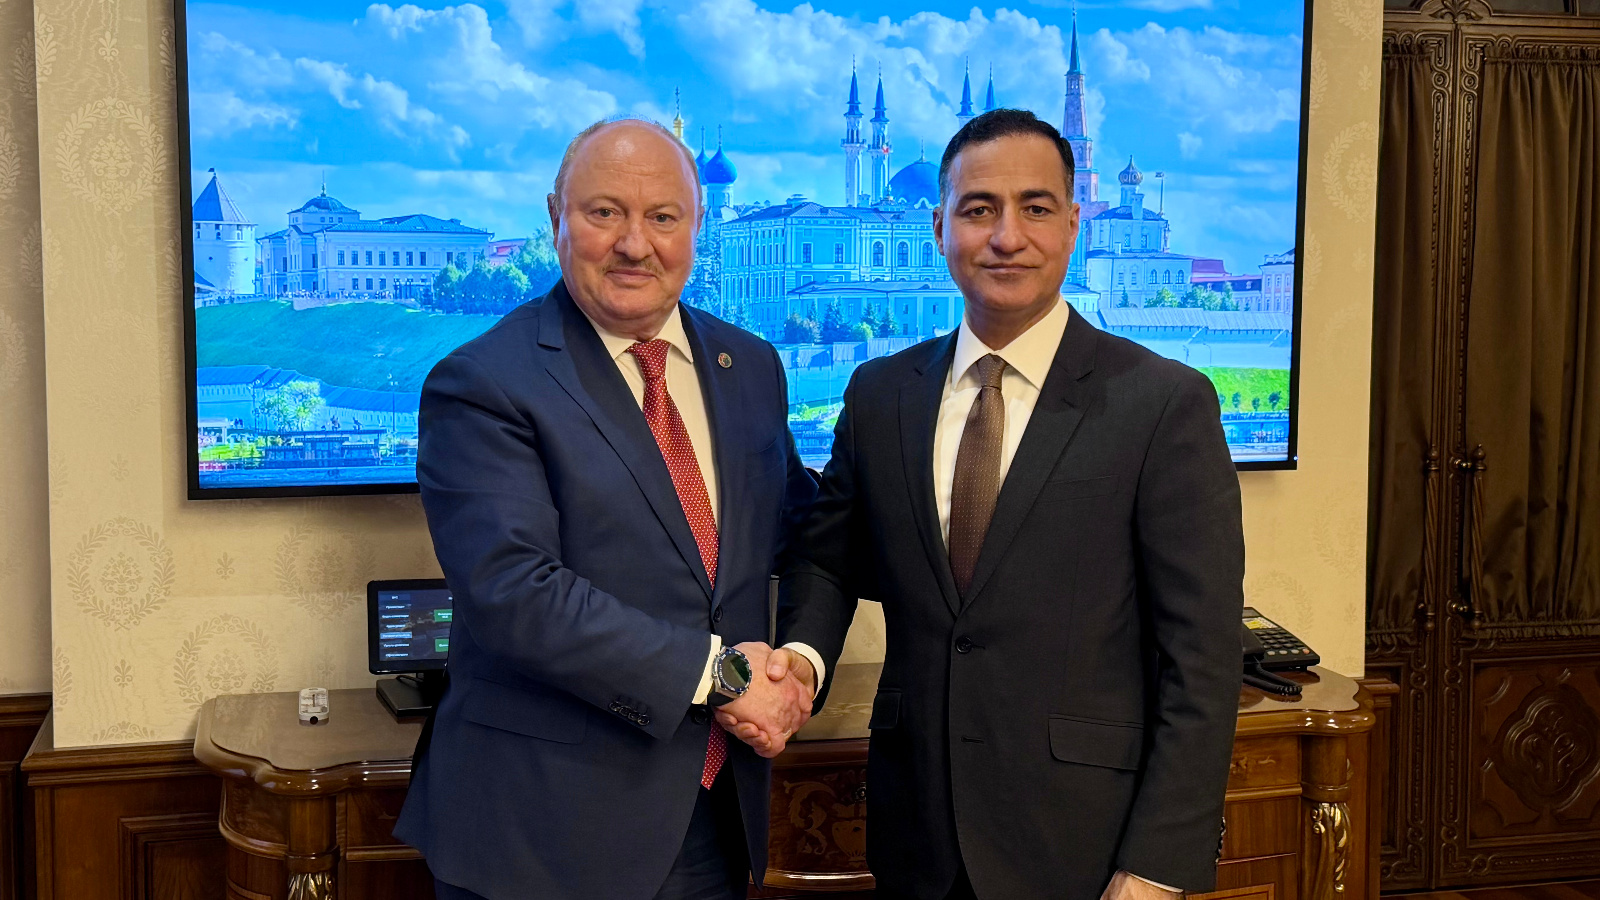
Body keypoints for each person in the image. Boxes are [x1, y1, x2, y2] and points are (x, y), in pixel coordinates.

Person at [724, 108, 1244, 900]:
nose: (1007, 236)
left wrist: (1156, 867)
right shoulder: (881, 395)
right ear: (939, 228)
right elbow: (827, 558)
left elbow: (1202, 659)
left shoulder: (1163, 404)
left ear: (1072, 225)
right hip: (917, 840)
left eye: (1035, 207)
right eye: (978, 209)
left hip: (1087, 848)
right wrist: (801, 661)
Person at [395, 118, 819, 900]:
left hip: (714, 814)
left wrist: (802, 662)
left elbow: (805, 530)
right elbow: (516, 594)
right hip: (544, 834)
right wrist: (727, 677)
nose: (635, 244)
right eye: (604, 213)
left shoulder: (750, 366)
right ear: (555, 215)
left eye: (663, 217)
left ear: (697, 225)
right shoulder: (484, 382)